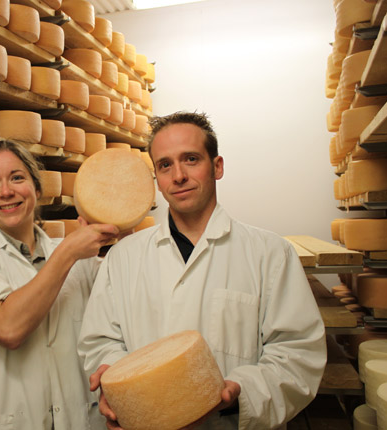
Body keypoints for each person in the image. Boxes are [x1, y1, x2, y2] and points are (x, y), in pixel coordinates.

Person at [78, 111, 327, 430]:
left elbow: (297, 355)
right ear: (156, 177)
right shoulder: (122, 257)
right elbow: (100, 340)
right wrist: (115, 377)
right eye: (165, 165)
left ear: (217, 166)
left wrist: (240, 390)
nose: (178, 175)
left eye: (191, 159)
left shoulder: (270, 254)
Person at [0, 140, 119, 429]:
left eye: (17, 177)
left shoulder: (83, 262)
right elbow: (8, 329)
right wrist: (68, 252)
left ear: (37, 190)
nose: (6, 191)